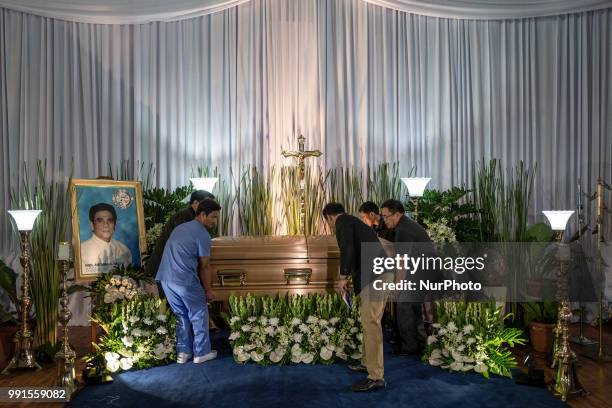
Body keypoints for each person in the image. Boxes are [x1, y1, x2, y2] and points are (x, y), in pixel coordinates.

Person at [323, 202, 387, 392]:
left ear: (329, 218)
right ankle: (367, 363)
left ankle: (376, 376)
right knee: (369, 322)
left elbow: (347, 249)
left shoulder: (342, 223)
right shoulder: (351, 221)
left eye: (328, 222)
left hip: (375, 277)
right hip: (375, 275)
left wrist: (343, 277)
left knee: (371, 324)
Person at [155, 199, 221, 364]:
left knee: (181, 315)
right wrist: (208, 290)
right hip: (184, 280)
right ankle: (201, 352)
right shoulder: (203, 235)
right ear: (202, 214)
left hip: (165, 279)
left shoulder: (180, 227)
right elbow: (205, 266)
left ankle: (183, 352)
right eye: (213, 217)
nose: (215, 221)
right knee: (199, 314)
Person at [380, 199, 432, 356]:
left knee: (403, 307)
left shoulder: (403, 230)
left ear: (397, 214)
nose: (384, 219)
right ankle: (420, 344)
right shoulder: (406, 224)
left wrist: (397, 287)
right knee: (413, 309)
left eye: (386, 216)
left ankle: (409, 347)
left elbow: (402, 263)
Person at [146, 190, 215, 280]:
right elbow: (183, 247)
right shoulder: (185, 217)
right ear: (195, 203)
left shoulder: (191, 217)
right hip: (168, 270)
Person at [80, 203, 132, 275]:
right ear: (92, 225)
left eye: (110, 220)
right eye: (100, 220)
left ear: (115, 225)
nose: (106, 225)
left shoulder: (124, 250)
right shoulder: (81, 251)